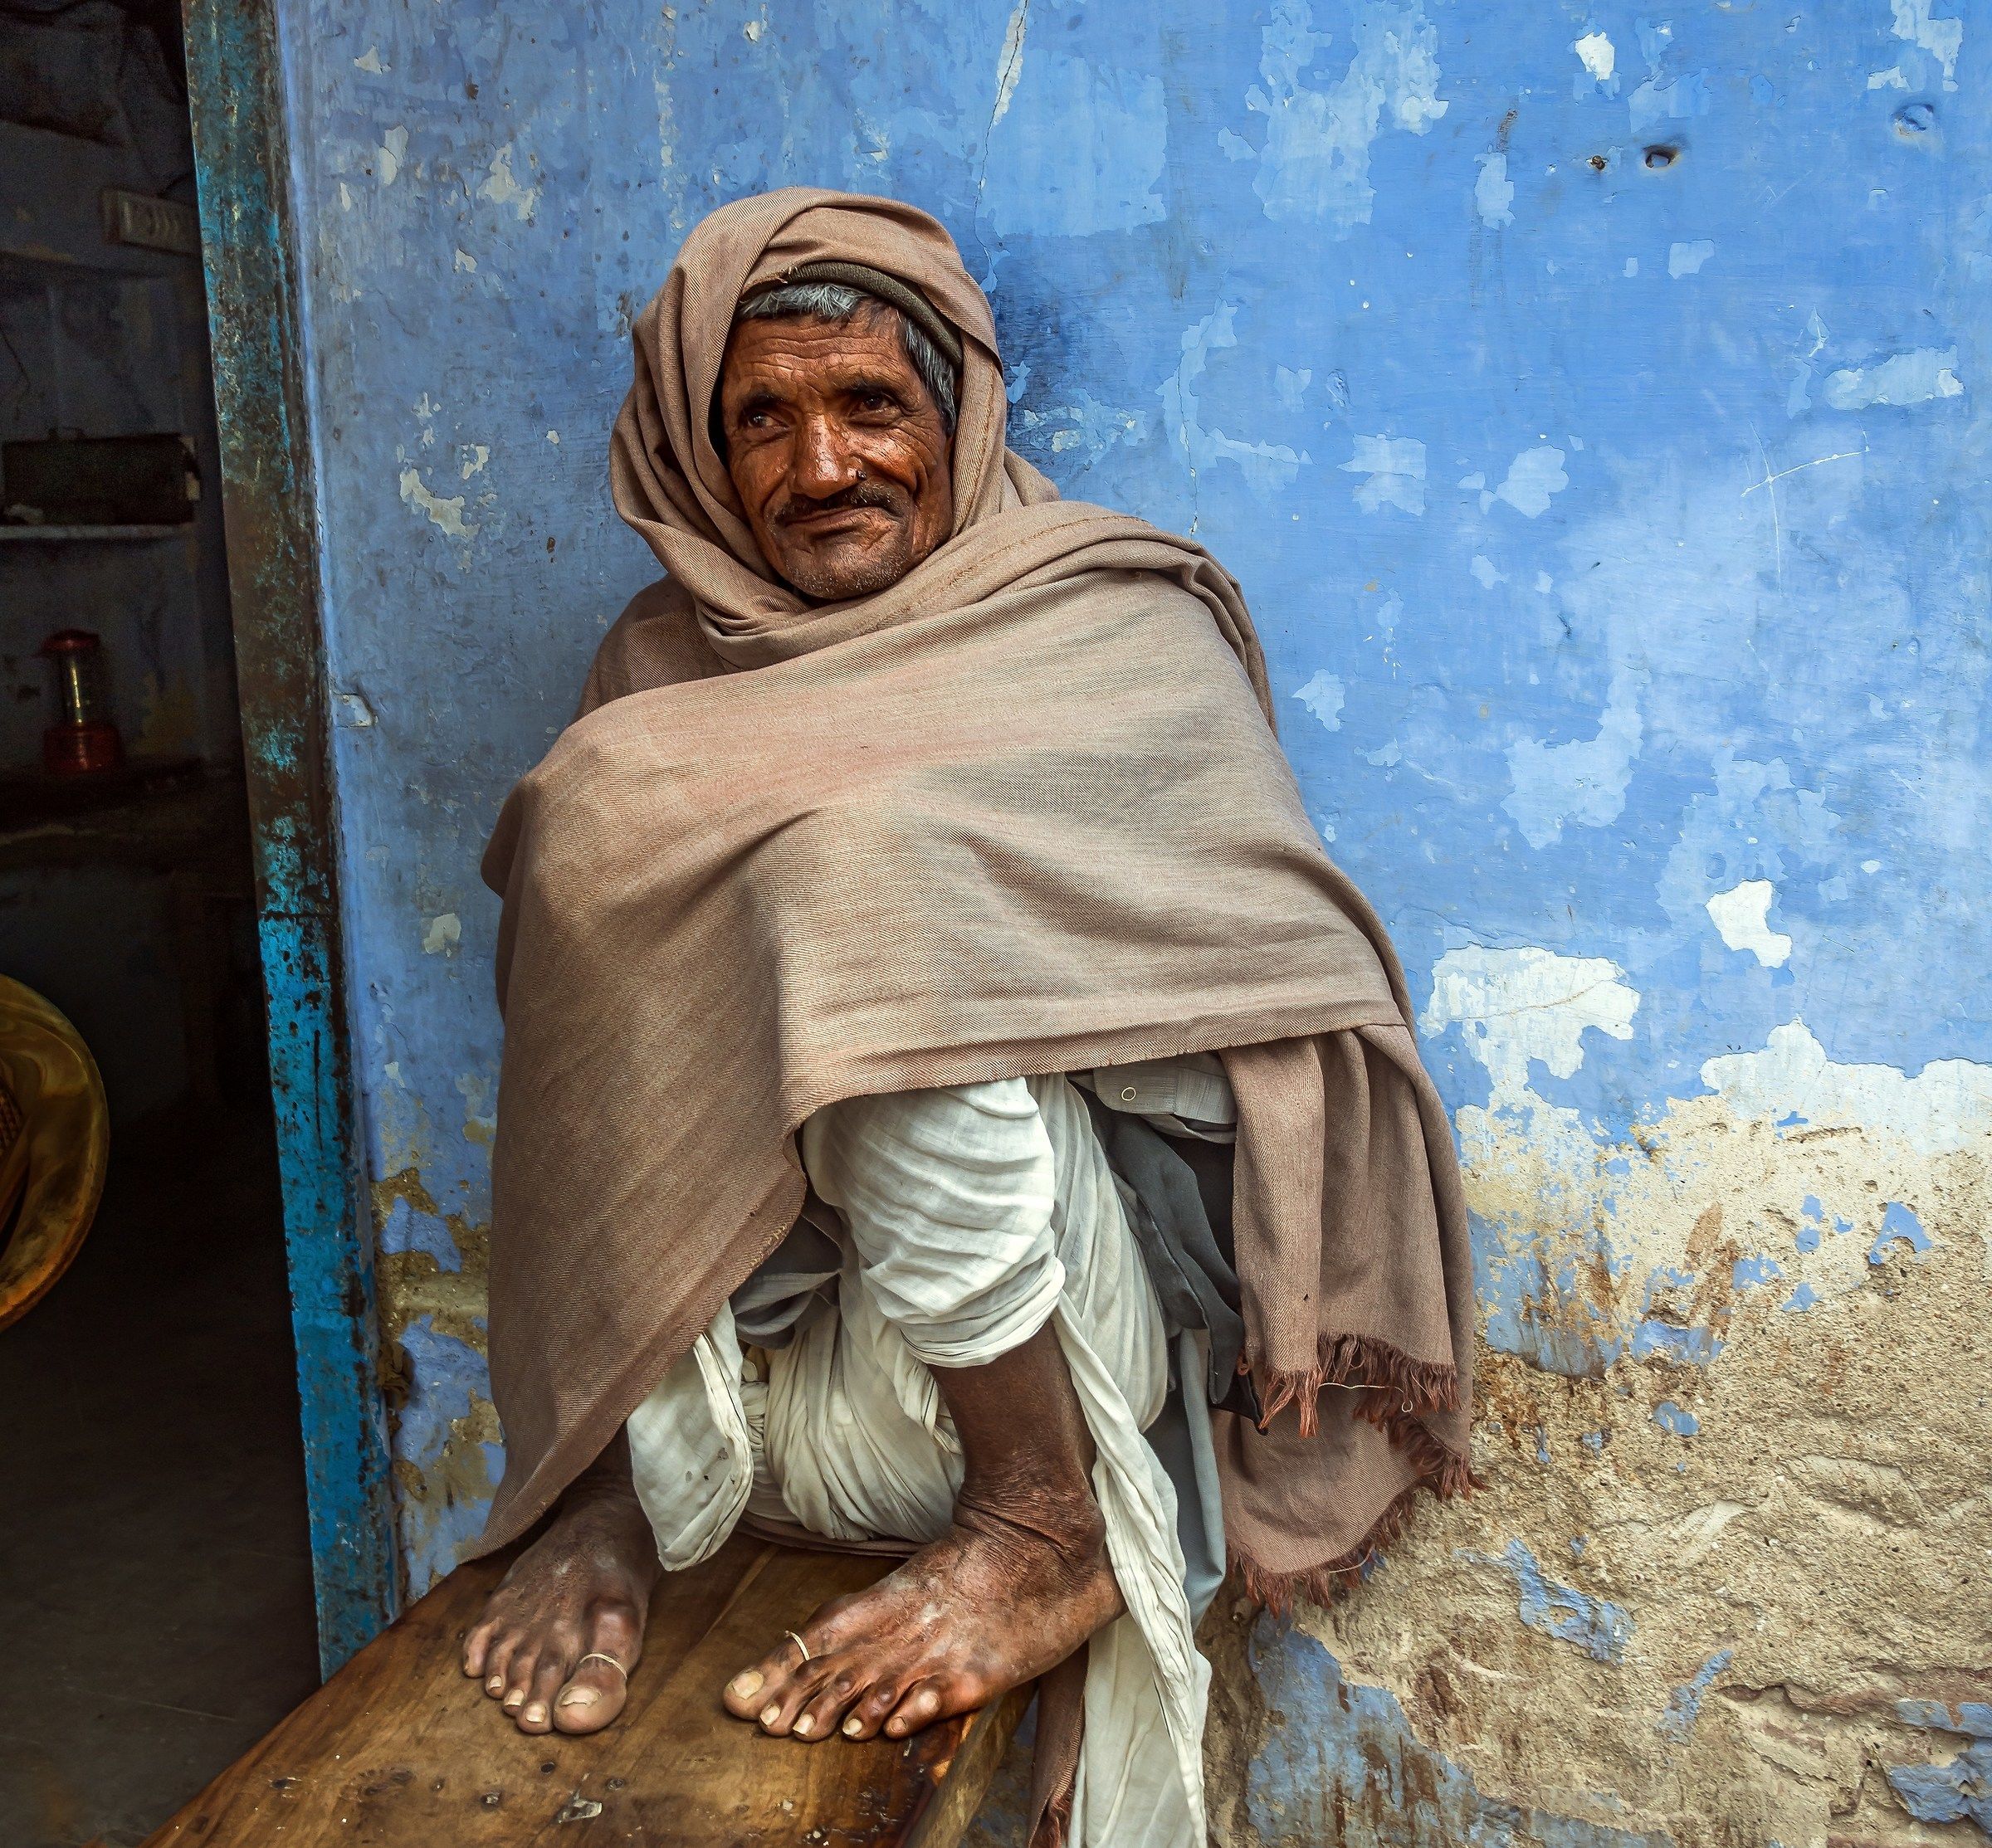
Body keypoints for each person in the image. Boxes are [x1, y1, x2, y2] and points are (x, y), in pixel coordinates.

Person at [460, 188, 1473, 1848]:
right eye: (761, 422)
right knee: (726, 893)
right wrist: (611, 1484)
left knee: (863, 906)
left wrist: (904, 937)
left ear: (958, 416)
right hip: (752, 1427)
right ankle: (603, 1513)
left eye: (873, 405)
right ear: (698, 455)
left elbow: (1295, 1000)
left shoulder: (1113, 627)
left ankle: (1039, 1525)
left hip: (1049, 1377)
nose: (823, 467)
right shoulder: (657, 672)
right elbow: (596, 1118)